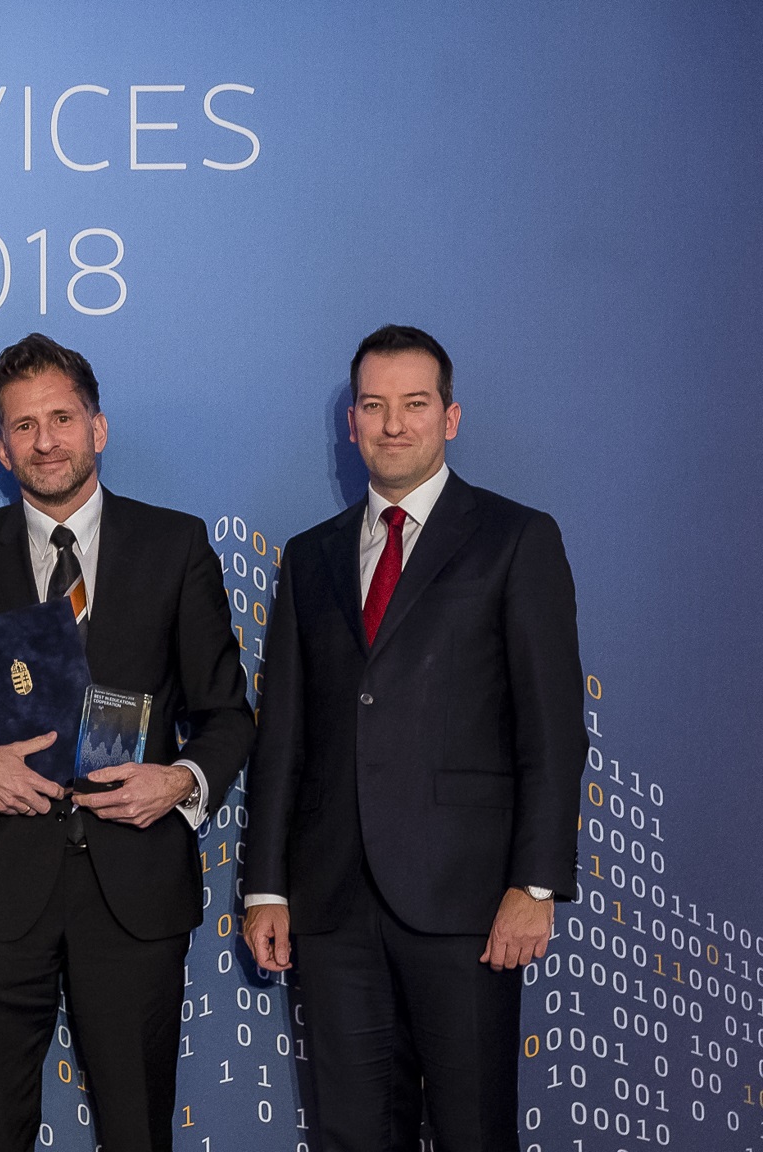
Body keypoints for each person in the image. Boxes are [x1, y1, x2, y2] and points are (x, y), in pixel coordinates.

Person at [0, 333, 255, 1151]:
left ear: (98, 427)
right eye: (23, 426)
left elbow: (228, 716)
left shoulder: (175, 546)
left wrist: (180, 781)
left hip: (135, 887)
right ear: (0, 448)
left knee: (137, 1131)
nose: (45, 441)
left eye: (62, 418)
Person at [240, 325, 584, 1151]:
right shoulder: (310, 557)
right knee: (352, 1134)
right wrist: (266, 888)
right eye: (374, 405)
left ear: (450, 418)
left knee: (473, 1131)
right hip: (331, 907)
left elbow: (552, 728)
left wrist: (535, 885)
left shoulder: (516, 538)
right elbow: (282, 734)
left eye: (415, 404)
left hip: (468, 903)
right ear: (351, 423)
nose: (393, 424)